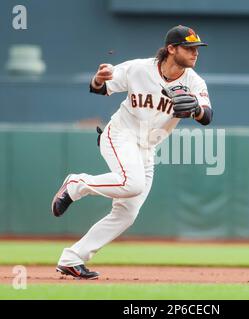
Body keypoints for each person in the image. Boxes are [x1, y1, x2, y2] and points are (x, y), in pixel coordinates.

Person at [51, 25, 213, 279]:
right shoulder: (139, 68)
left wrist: (196, 109)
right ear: (171, 49)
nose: (195, 53)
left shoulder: (194, 81)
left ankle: (72, 258)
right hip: (120, 134)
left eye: (197, 48)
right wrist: (98, 78)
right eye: (189, 47)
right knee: (132, 183)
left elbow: (207, 116)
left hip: (147, 148)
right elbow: (100, 88)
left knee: (127, 214)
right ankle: (76, 184)